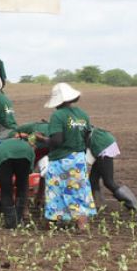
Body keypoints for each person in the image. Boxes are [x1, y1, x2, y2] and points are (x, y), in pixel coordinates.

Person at [40, 83, 96, 228]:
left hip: (61, 160)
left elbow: (57, 141)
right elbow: (88, 137)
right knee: (79, 190)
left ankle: (51, 224)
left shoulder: (58, 115)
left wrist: (43, 140)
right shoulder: (82, 114)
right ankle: (82, 224)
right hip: (78, 158)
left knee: (55, 191)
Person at [88, 127, 137, 211]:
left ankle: (134, 205)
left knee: (108, 182)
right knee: (93, 179)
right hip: (102, 143)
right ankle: (97, 205)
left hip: (102, 146)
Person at [0, 137, 36, 228]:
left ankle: (11, 223)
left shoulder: (2, 146)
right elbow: (29, 171)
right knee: (22, 187)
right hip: (25, 156)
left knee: (6, 190)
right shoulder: (28, 147)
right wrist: (21, 179)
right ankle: (19, 220)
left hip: (3, 155)